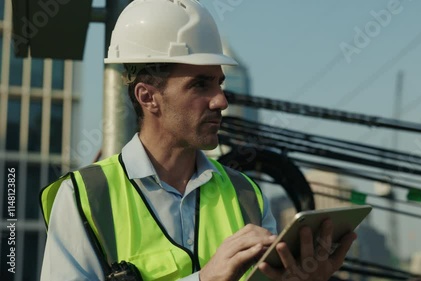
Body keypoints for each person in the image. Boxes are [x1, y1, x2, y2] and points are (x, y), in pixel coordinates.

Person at [39, 0, 357, 280]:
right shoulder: (83, 198)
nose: (221, 100)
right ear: (148, 97)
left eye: (219, 82)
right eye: (200, 84)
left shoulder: (248, 196)